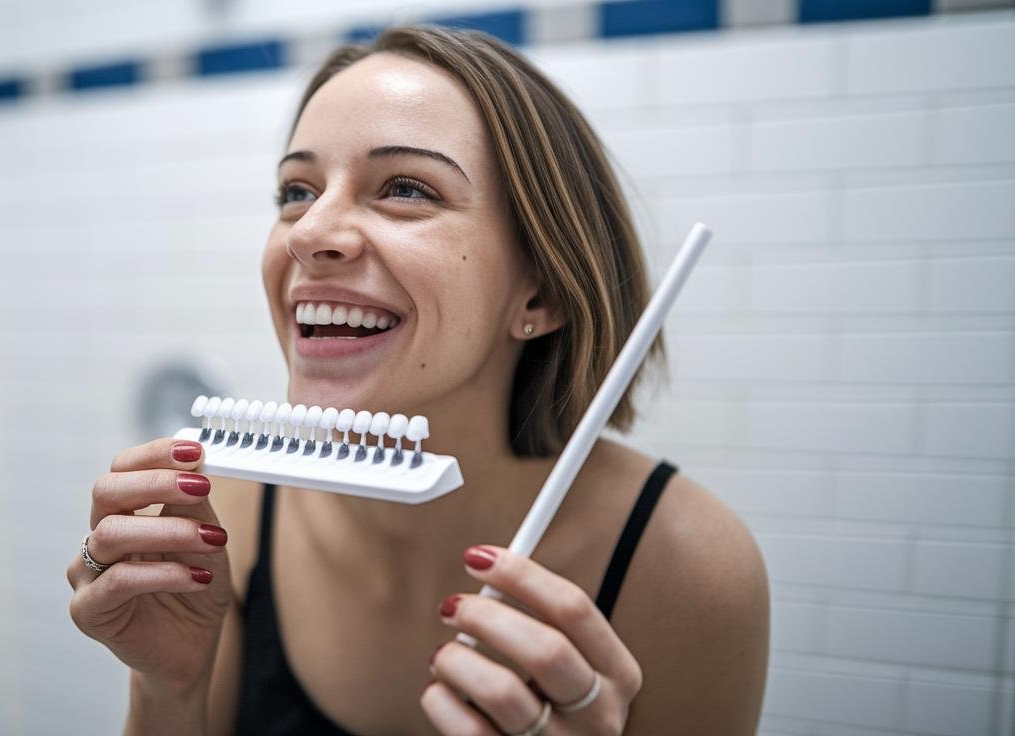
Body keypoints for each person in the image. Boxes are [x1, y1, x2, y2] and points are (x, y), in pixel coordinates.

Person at [67, 25, 769, 736]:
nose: (309, 232)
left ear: (541, 294)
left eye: (405, 188)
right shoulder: (224, 517)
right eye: (296, 189)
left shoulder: (686, 568)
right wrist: (166, 690)